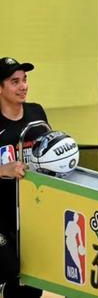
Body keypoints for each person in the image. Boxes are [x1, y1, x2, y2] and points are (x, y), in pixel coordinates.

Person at [0, 57, 47, 298]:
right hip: (1, 215)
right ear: (0, 88)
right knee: (10, 270)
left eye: (25, 80)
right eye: (14, 81)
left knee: (31, 284)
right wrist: (3, 169)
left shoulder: (36, 113)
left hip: (31, 213)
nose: (23, 86)